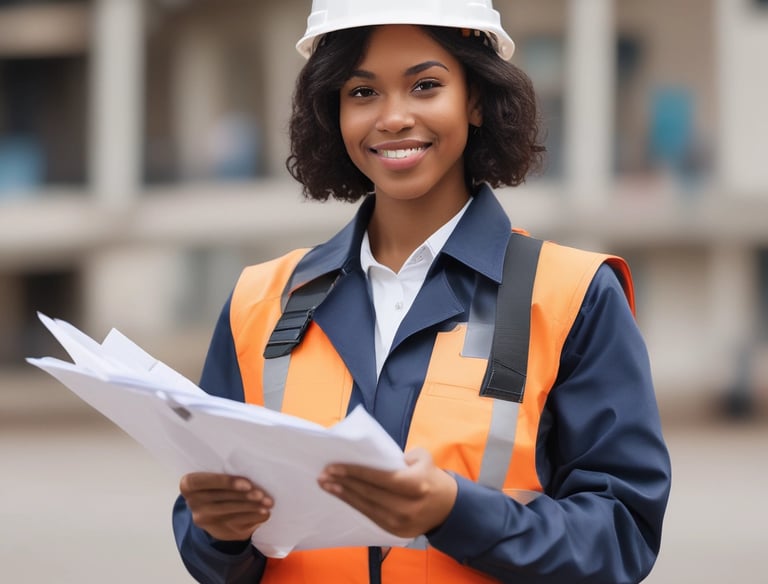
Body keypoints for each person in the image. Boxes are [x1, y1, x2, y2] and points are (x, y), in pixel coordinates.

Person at [172, 2, 672, 583]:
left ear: (476, 99)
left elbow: (621, 536)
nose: (393, 118)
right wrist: (221, 534)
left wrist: (458, 513)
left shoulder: (573, 297)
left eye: (426, 85)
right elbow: (209, 548)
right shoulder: (259, 302)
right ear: (334, 110)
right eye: (363, 92)